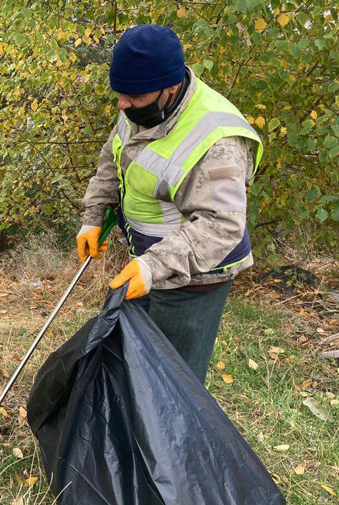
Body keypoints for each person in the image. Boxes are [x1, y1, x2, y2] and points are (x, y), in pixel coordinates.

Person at [77, 24, 263, 383]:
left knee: (175, 383)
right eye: (120, 93)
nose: (121, 104)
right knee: (134, 361)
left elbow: (222, 225)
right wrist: (94, 215)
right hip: (147, 262)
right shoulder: (142, 102)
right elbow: (114, 155)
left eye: (133, 97)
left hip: (197, 275)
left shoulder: (218, 140)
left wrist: (152, 266)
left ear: (171, 88)